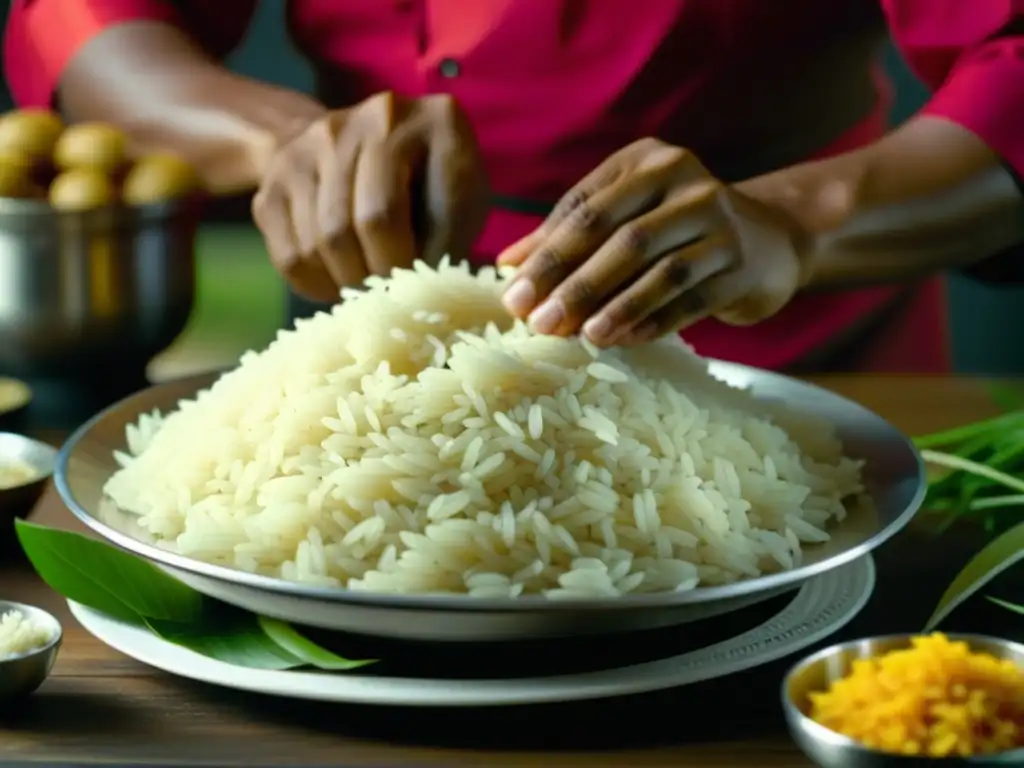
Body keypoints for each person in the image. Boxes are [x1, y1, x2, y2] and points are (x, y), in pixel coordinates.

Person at [6, 0, 1024, 373]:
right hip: (368, 326)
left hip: (787, 334)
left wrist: (791, 222)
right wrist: (291, 143)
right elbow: (89, 12)